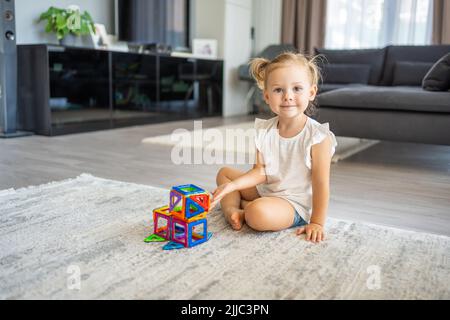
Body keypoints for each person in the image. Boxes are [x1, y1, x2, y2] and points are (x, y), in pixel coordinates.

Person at [210, 52, 337, 243]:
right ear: (267, 96)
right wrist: (233, 186)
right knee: (225, 174)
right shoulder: (264, 129)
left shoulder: (318, 137)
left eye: (297, 89)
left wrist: (317, 222)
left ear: (311, 92)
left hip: (293, 204)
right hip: (266, 190)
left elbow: (321, 184)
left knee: (257, 213)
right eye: (278, 90)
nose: (287, 96)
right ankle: (232, 211)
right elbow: (260, 172)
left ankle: (246, 208)